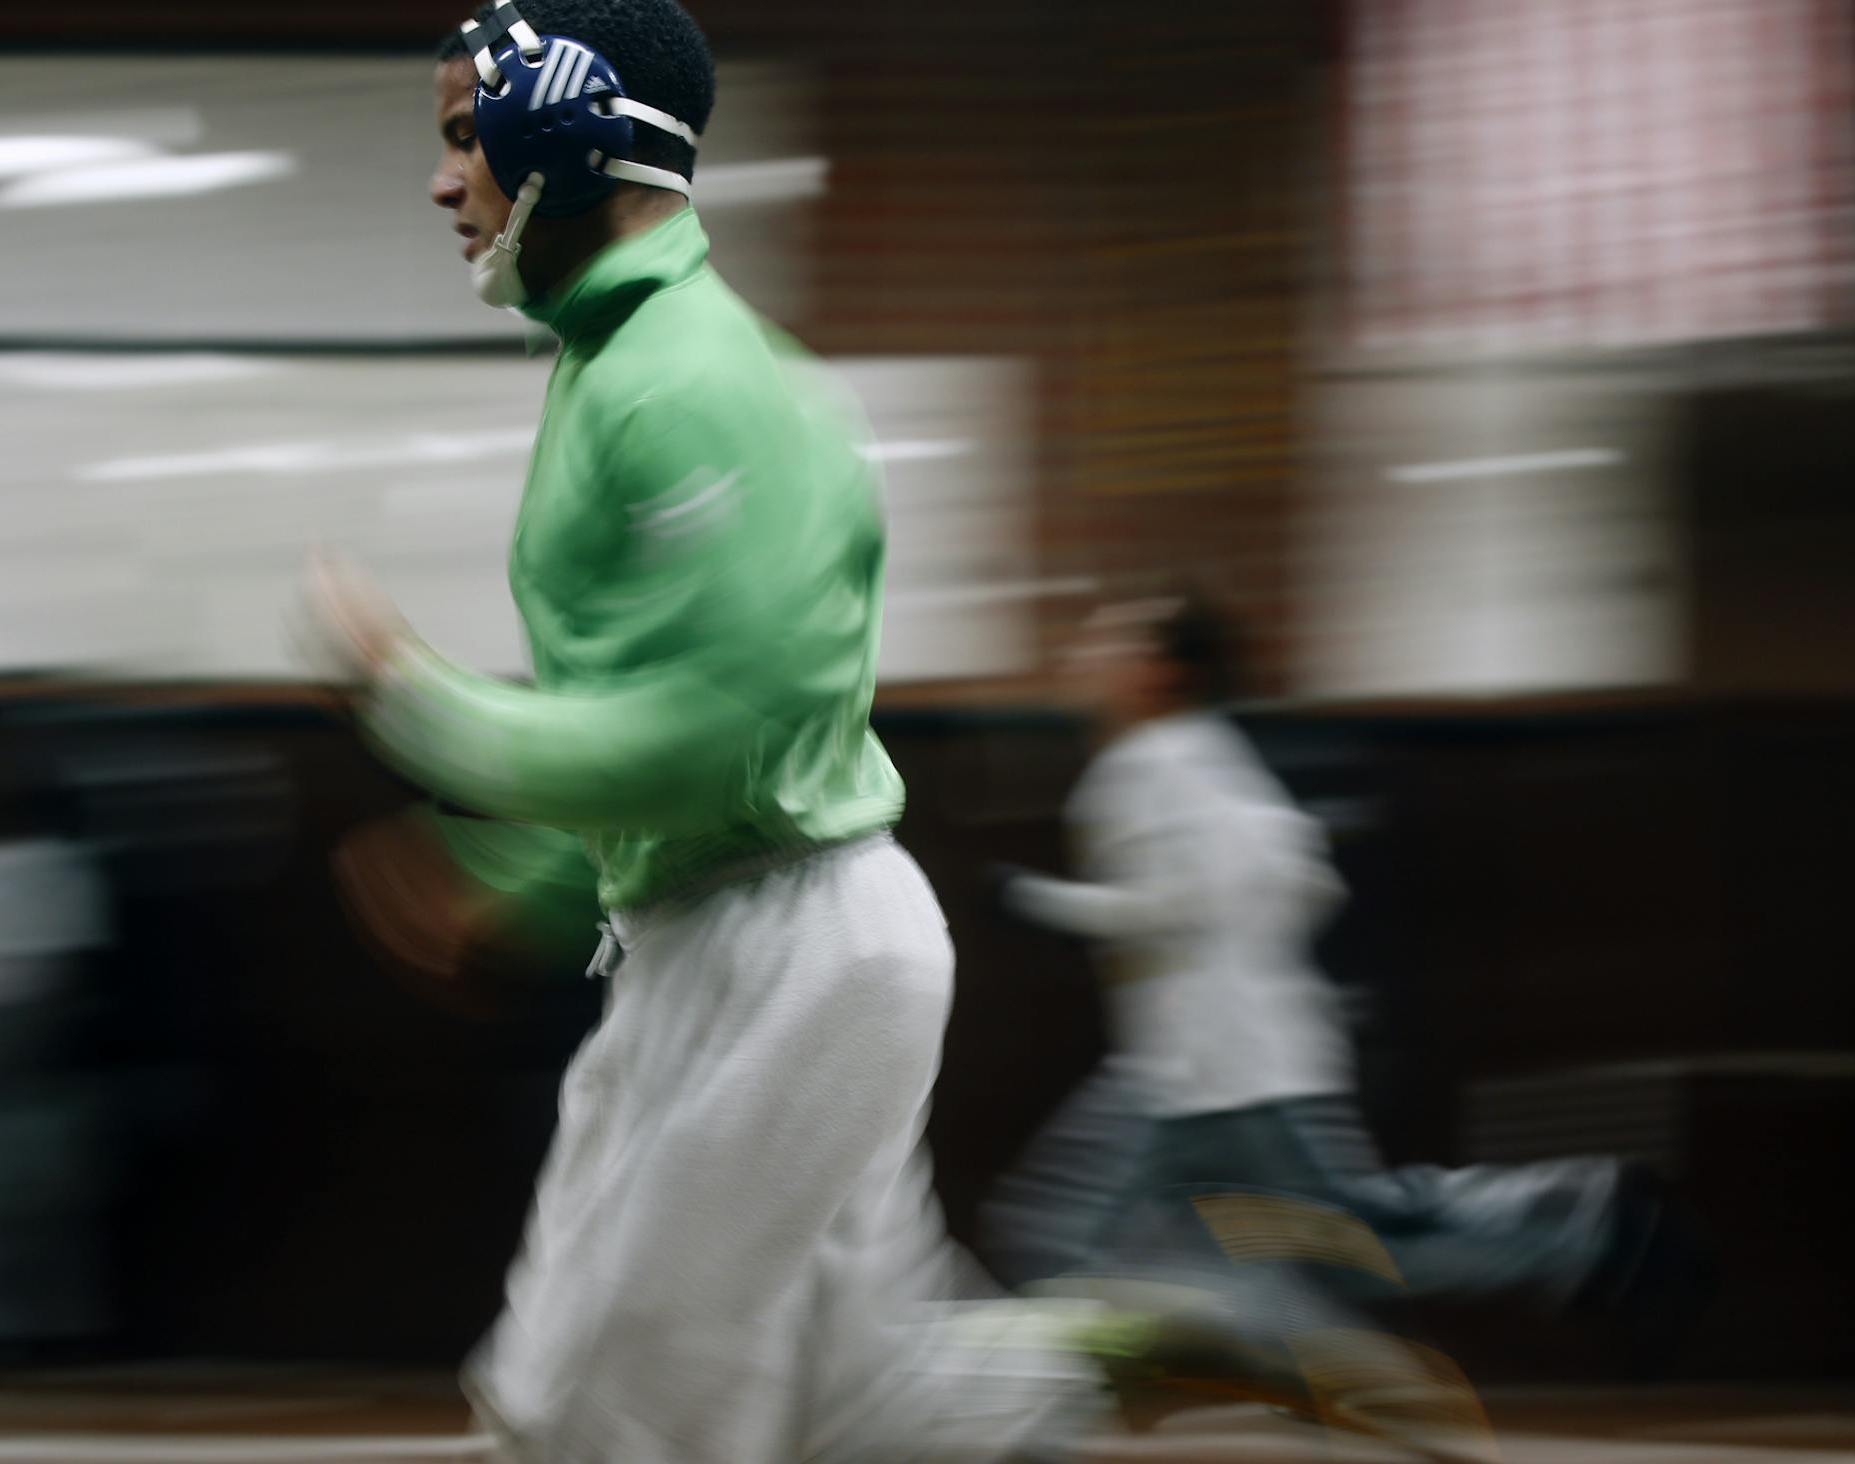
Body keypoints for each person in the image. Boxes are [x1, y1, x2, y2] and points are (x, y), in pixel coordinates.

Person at [294, 3, 1128, 1458]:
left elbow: (712, 735)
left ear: (560, 130)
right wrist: (531, 894)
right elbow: (642, 721)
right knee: (860, 1413)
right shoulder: (612, 370)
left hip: (791, 951)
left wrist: (410, 699)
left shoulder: (692, 380)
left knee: (601, 1405)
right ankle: (1162, 1346)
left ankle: (1152, 1346)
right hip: (720, 944)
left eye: (461, 138)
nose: (443, 184)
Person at [983, 593, 1679, 1339]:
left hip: (1230, 1073)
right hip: (1188, 1070)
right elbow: (1300, 873)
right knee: (1071, 1235)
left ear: (1159, 672)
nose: (1083, 660)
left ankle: (1583, 1227)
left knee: (1349, 1247)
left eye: (1108, 645)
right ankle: (1258, 1346)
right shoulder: (1193, 756)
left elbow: (1203, 898)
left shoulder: (1156, 763)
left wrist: (1036, 900)